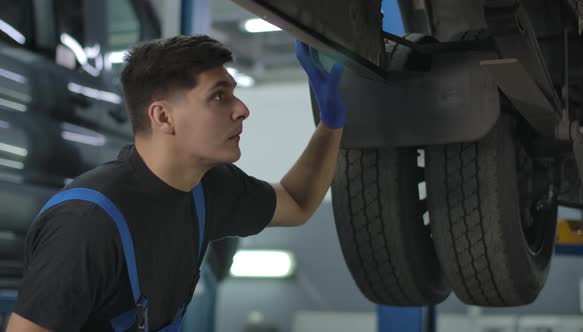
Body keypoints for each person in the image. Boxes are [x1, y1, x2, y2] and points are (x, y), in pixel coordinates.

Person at [6, 35, 346, 332]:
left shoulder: (208, 188)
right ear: (163, 117)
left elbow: (296, 202)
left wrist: (330, 125)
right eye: (219, 96)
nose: (242, 109)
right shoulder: (87, 225)